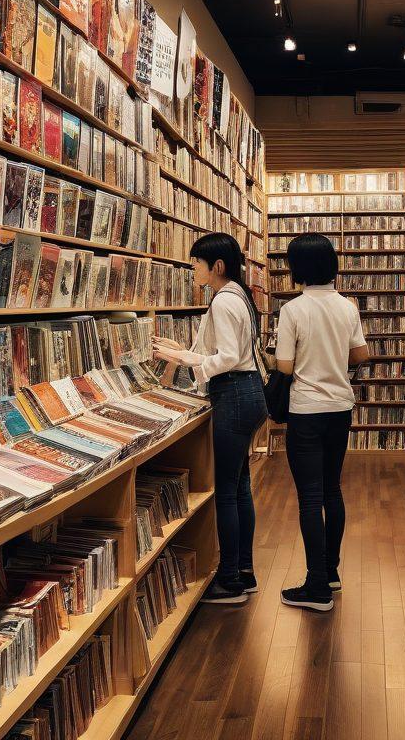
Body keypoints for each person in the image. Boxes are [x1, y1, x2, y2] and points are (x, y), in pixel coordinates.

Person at [154, 232, 266, 606]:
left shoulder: (223, 300)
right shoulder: (239, 296)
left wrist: (188, 360)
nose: (192, 270)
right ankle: (244, 571)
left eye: (196, 263)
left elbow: (229, 356)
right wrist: (185, 351)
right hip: (249, 393)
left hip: (234, 394)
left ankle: (230, 579)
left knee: (228, 493)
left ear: (216, 266)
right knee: (240, 487)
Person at [276, 233, 368, 612]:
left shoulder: (293, 310)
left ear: (298, 268)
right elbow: (361, 355)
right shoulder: (348, 306)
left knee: (310, 498)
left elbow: (285, 366)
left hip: (306, 410)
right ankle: (330, 572)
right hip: (339, 408)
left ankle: (316, 588)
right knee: (332, 490)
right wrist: (333, 361)